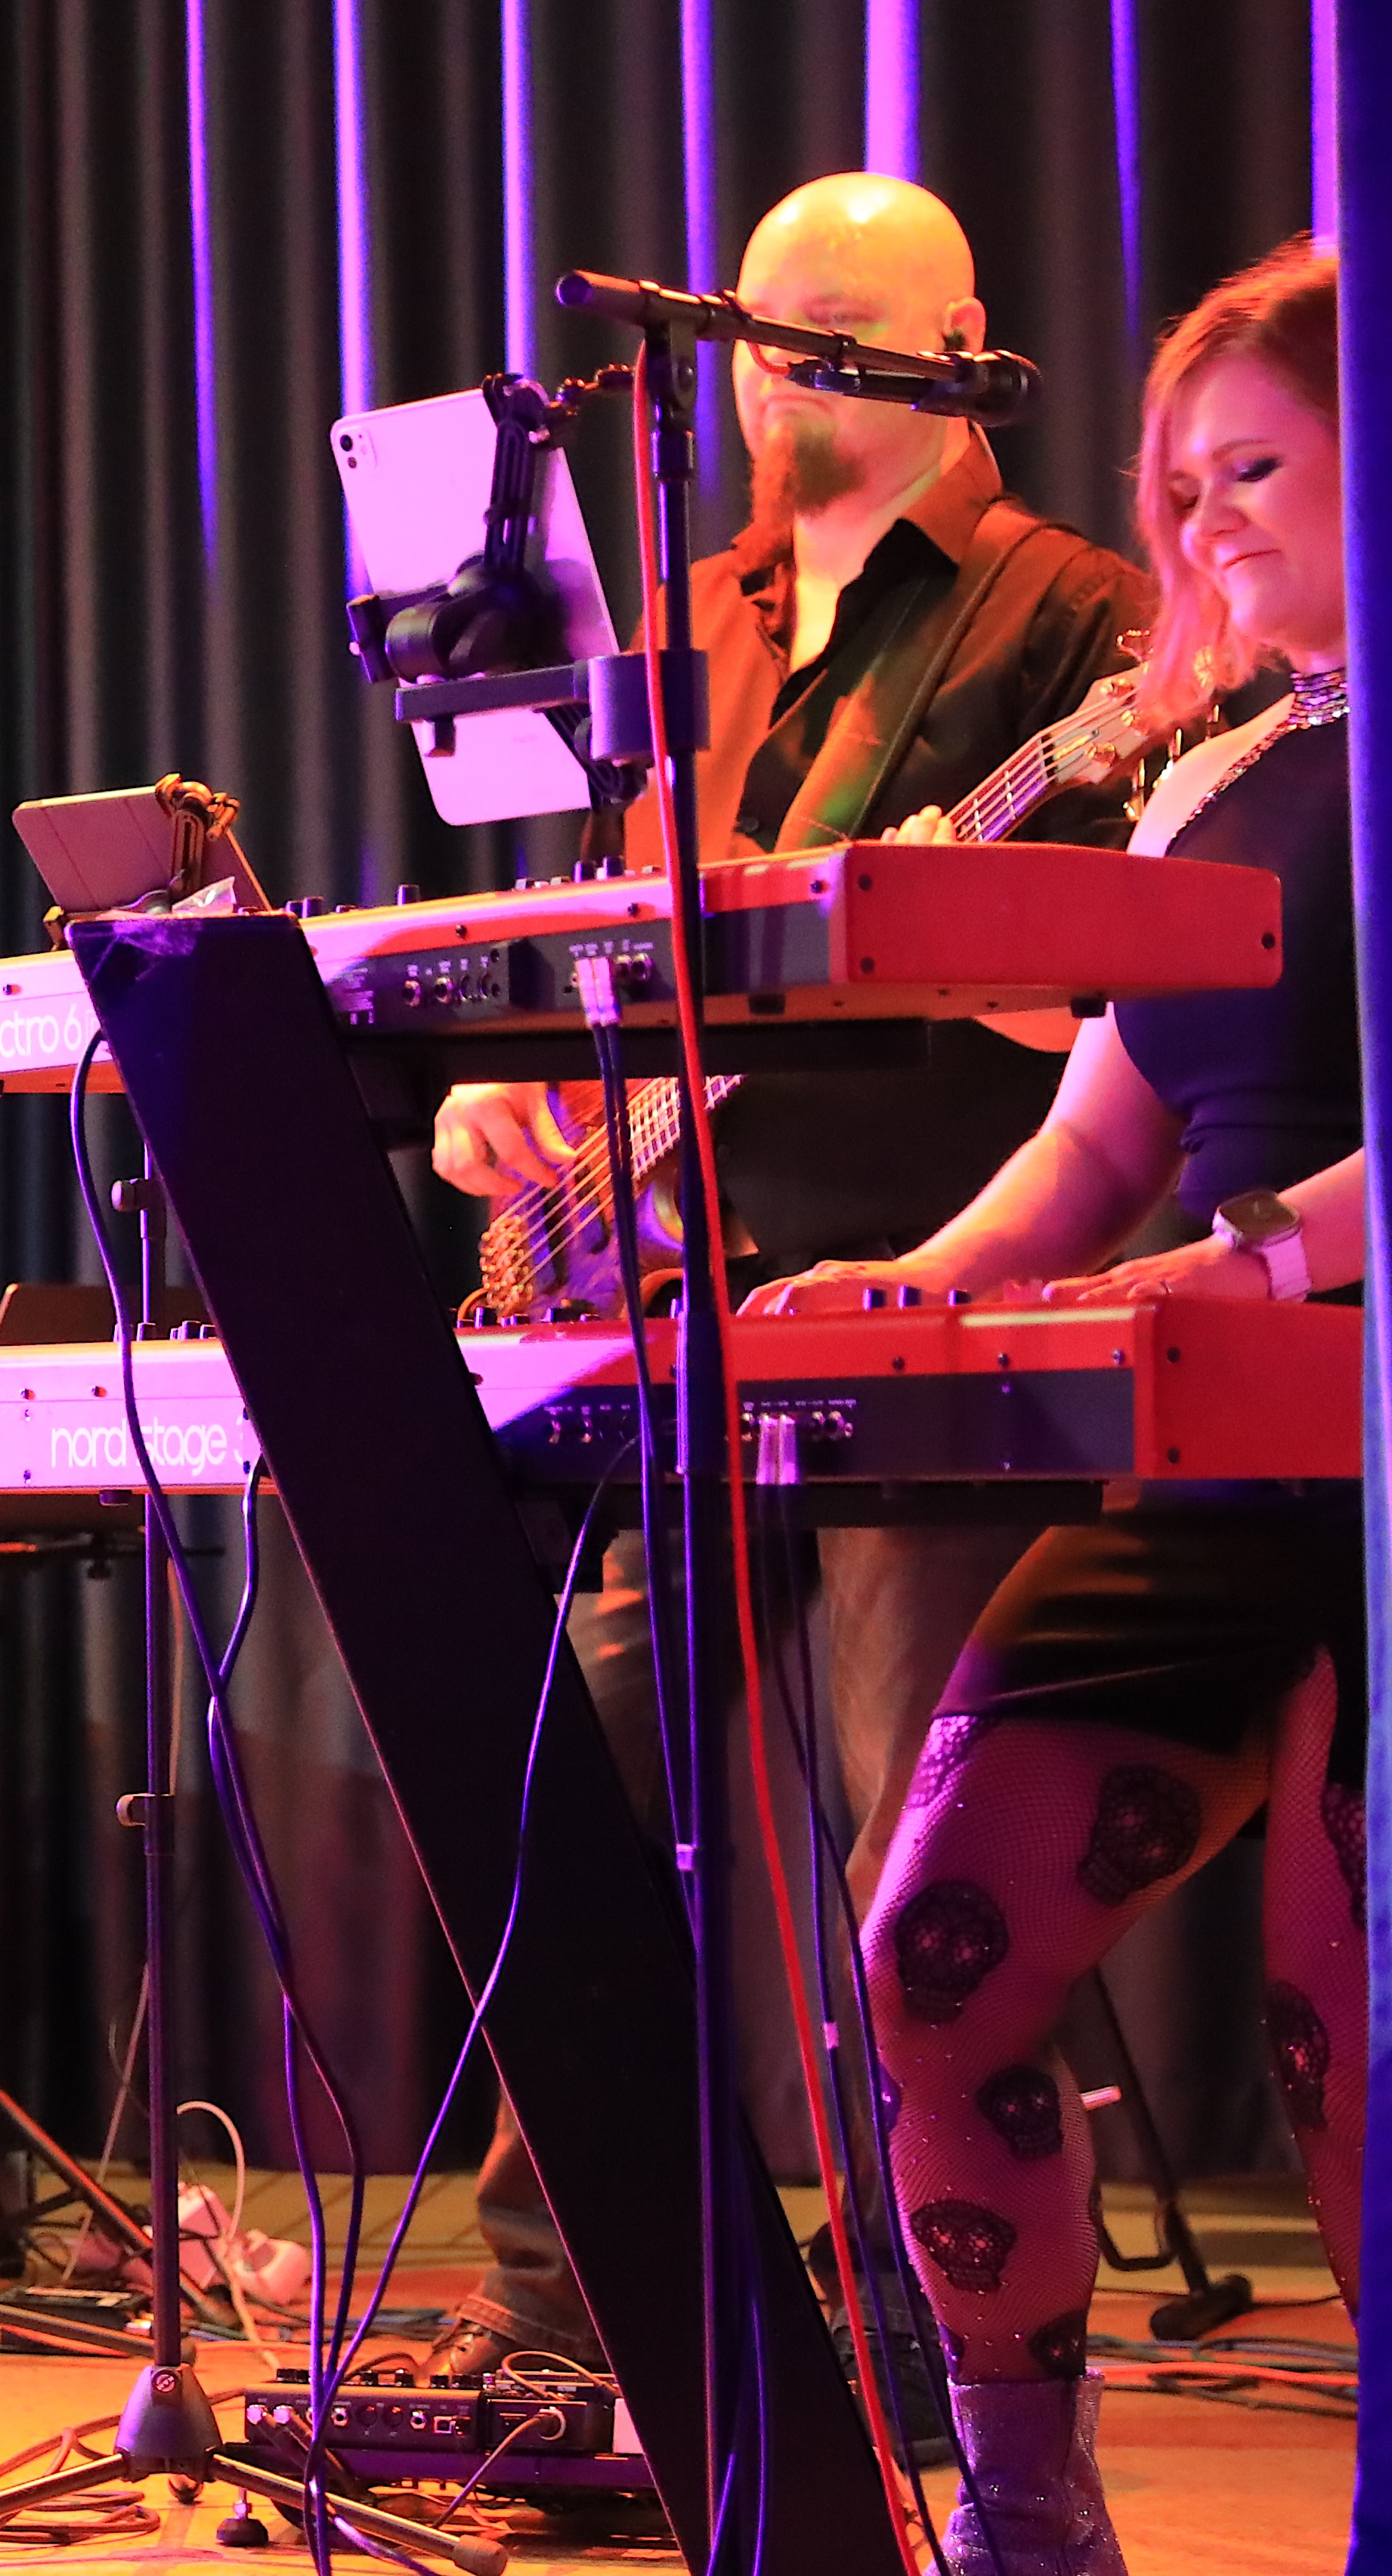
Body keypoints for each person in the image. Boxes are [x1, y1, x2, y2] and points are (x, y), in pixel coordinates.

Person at [410, 172, 1152, 2383]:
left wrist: (942, 934)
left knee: (919, 1849)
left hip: (930, 1297)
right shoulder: (691, 616)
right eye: (757, 327)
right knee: (592, 1806)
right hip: (674, 1287)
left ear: (959, 348)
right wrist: (512, 1089)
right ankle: (572, 2301)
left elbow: (1142, 990)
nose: (776, 373)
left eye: (832, 325)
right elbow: (608, 935)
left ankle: (945, 2336)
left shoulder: (1072, 618)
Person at [765, 238, 1364, 2576]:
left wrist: (1259, 1257)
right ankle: (1030, 2547)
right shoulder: (1223, 773)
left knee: (1350, 2047)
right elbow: (1087, 1147)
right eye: (1178, 482)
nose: (1200, 522)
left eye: (1255, 469)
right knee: (931, 1961)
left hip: (1359, 1428)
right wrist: (902, 1287)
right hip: (1212, 1445)